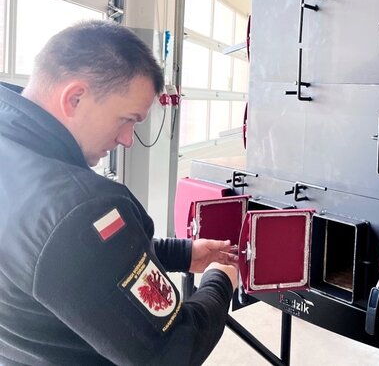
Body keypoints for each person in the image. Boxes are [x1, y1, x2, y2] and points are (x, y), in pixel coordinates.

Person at [0, 20, 238, 365]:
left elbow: (82, 266)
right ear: (75, 98)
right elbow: (174, 351)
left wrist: (183, 253)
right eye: (127, 119)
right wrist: (221, 280)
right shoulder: (79, 208)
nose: (127, 140)